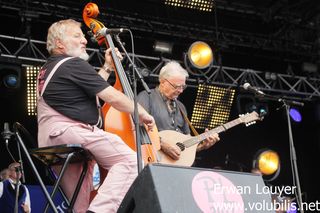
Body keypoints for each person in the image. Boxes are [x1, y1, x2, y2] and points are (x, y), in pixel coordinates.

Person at [37, 19, 155, 213]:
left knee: (79, 206)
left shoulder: (49, 68)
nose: (84, 40)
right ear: (60, 43)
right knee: (131, 162)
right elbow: (111, 96)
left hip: (52, 140)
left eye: (83, 35)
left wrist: (107, 67)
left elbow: (89, 94)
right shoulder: (72, 64)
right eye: (77, 36)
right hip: (70, 132)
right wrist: (141, 112)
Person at [137, 61, 220, 162]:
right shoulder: (146, 97)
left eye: (183, 87)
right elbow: (138, 128)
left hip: (175, 164)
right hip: (152, 159)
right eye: (177, 86)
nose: (181, 91)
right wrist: (162, 144)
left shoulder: (181, 107)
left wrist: (202, 146)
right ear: (163, 82)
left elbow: (185, 143)